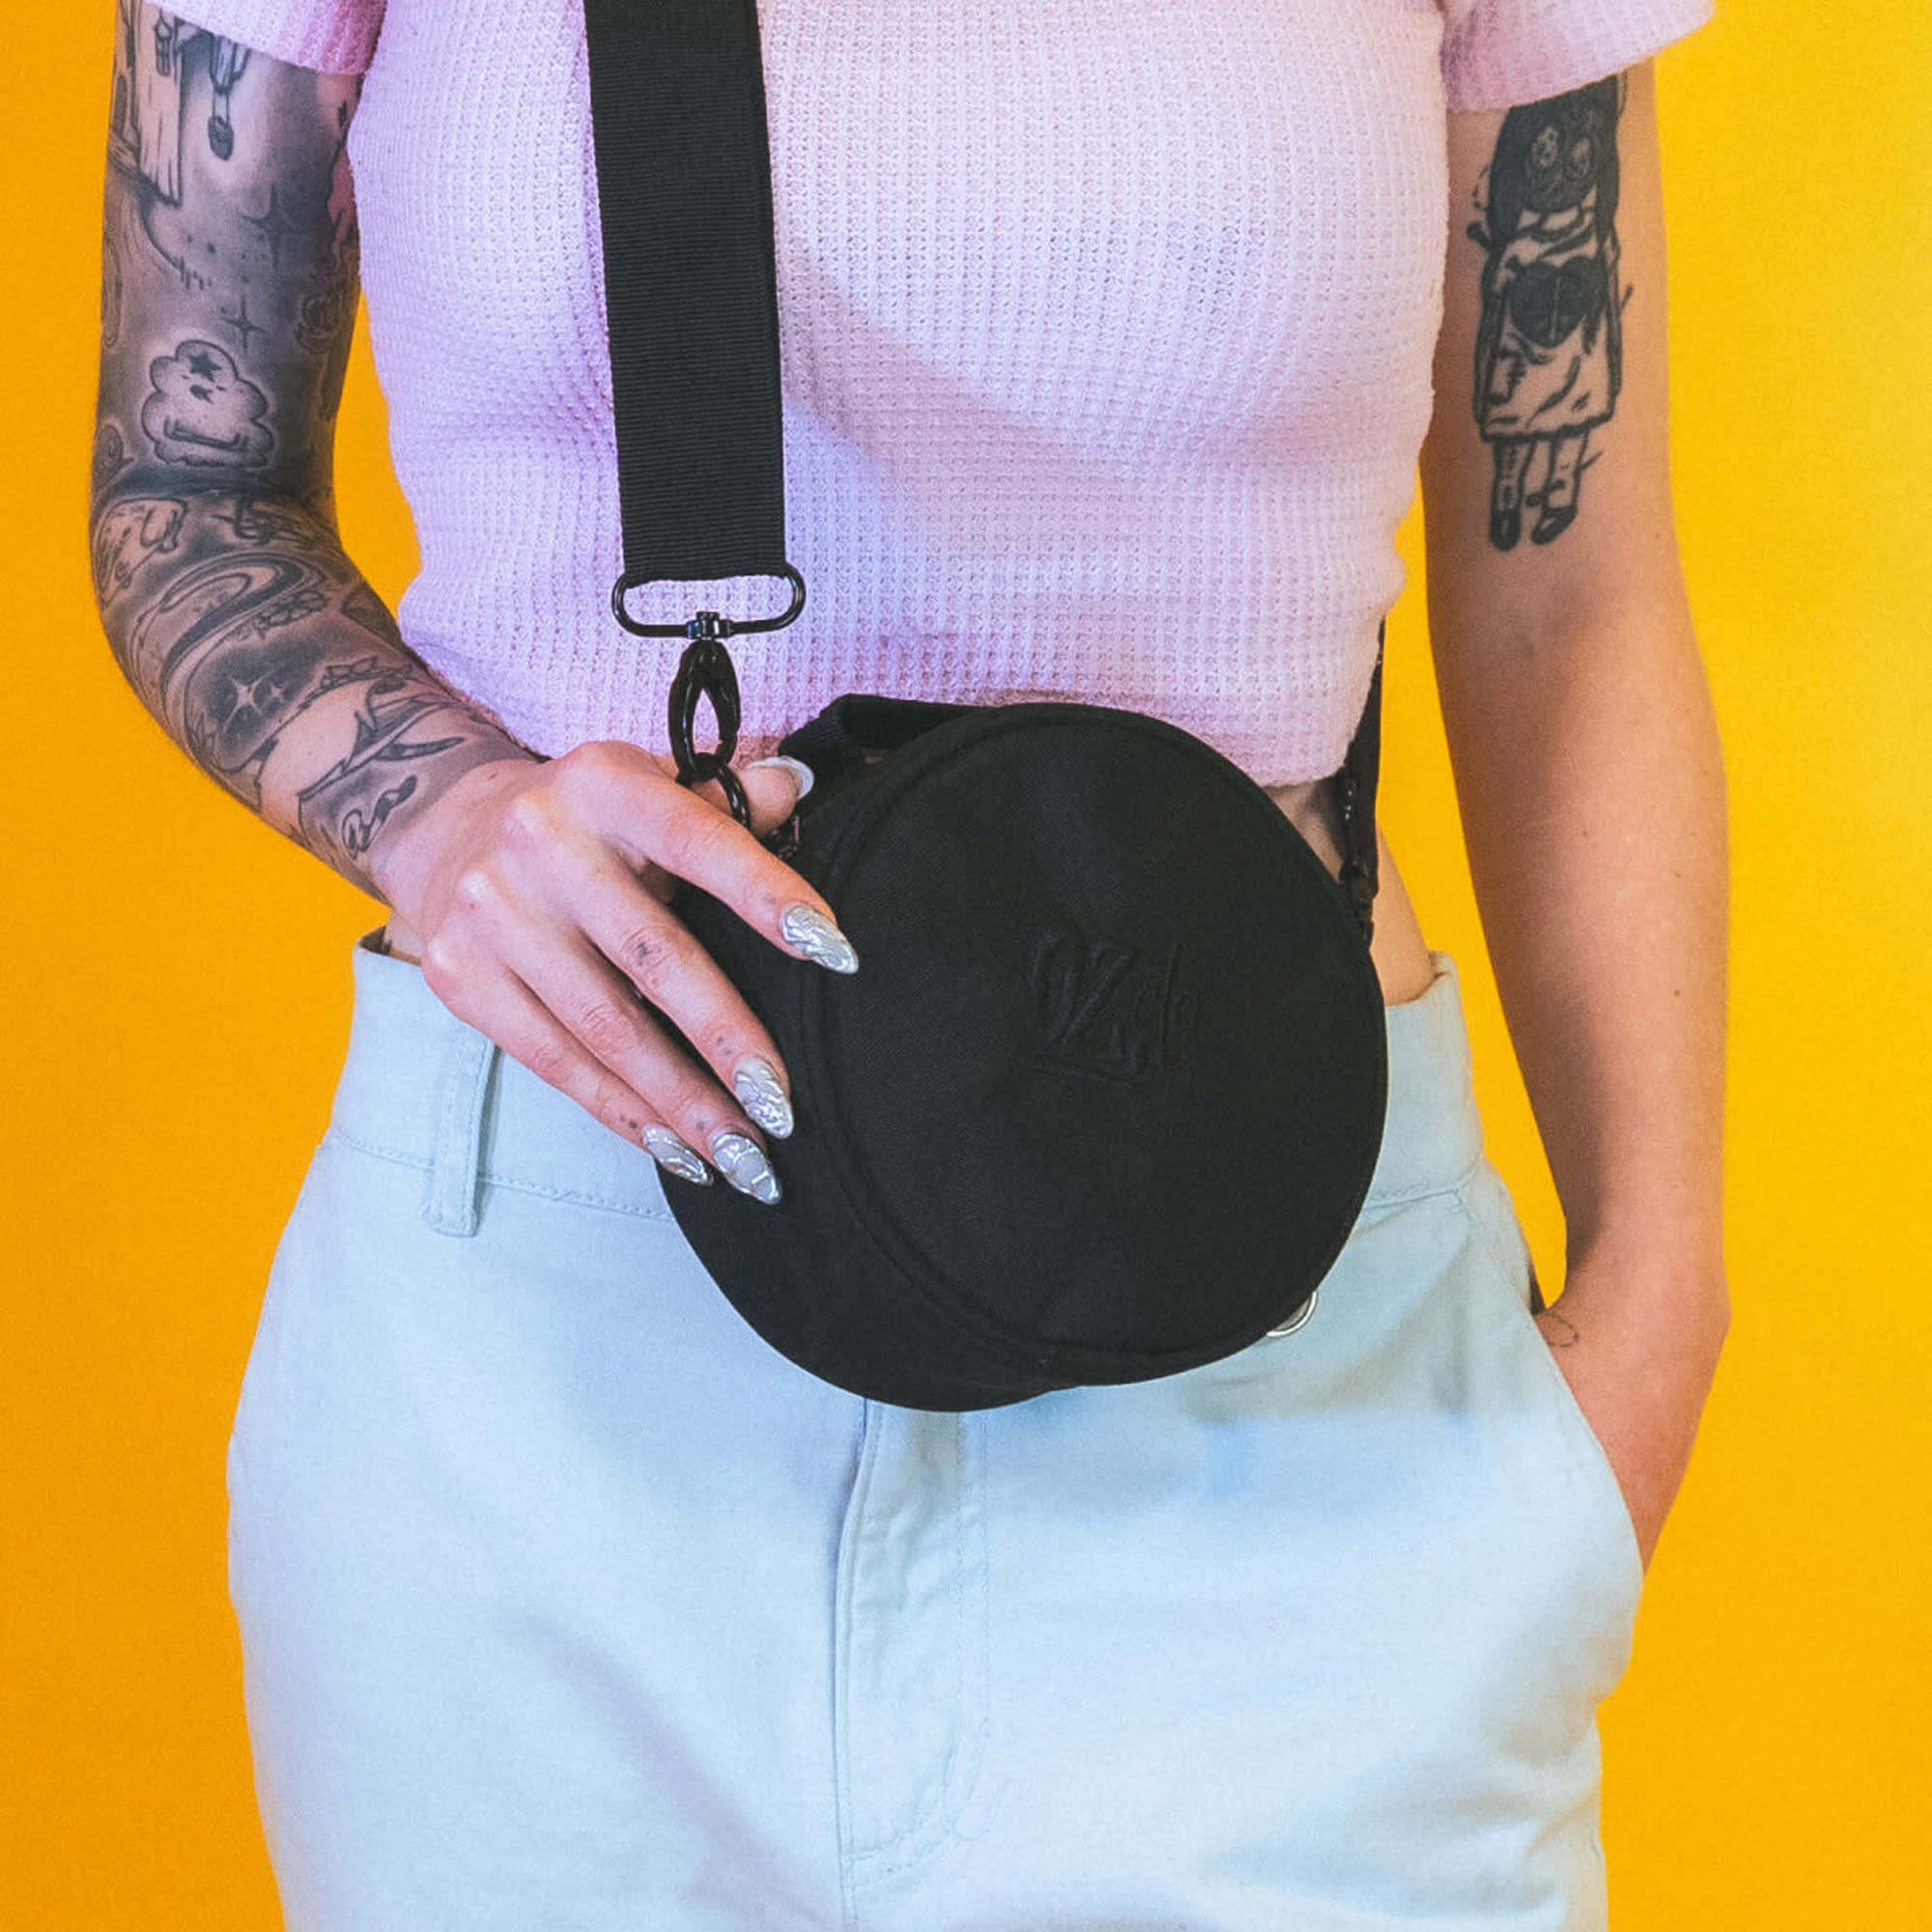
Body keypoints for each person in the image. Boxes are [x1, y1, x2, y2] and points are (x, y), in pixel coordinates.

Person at [90, 1, 1730, 1925]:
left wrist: (1655, 1307)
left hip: (1286, 1346)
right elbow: (189, 493)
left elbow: (1565, 594)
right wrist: (446, 817)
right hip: (555, 1367)